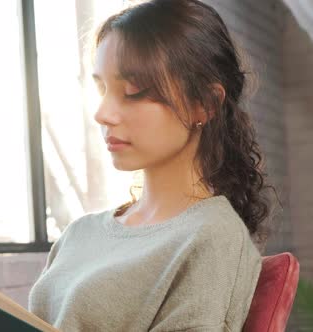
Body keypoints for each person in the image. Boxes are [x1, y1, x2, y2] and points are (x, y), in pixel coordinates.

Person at [28, 0, 276, 331]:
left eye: (133, 91)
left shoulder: (211, 238)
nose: (102, 113)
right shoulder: (78, 234)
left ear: (204, 104)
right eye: (102, 88)